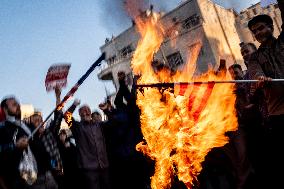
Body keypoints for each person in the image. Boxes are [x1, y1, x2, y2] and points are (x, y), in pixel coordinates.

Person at [247, 1, 284, 187]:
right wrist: (261, 78)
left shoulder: (282, 43)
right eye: (255, 31)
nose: (258, 33)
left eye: (261, 28)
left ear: (271, 27)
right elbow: (254, 72)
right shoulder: (253, 58)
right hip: (279, 114)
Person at [64, 101, 110, 189]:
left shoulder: (99, 125)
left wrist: (106, 111)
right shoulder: (77, 127)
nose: (85, 114)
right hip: (89, 169)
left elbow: (113, 122)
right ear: (80, 116)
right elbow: (67, 116)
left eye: (87, 112)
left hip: (104, 166)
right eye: (82, 113)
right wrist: (74, 105)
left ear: (90, 114)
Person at [0, 97, 31, 189]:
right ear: (5, 109)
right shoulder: (2, 128)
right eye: (14, 105)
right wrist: (15, 146)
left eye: (18, 104)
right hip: (11, 181)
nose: (18, 106)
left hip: (28, 177)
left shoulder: (23, 126)